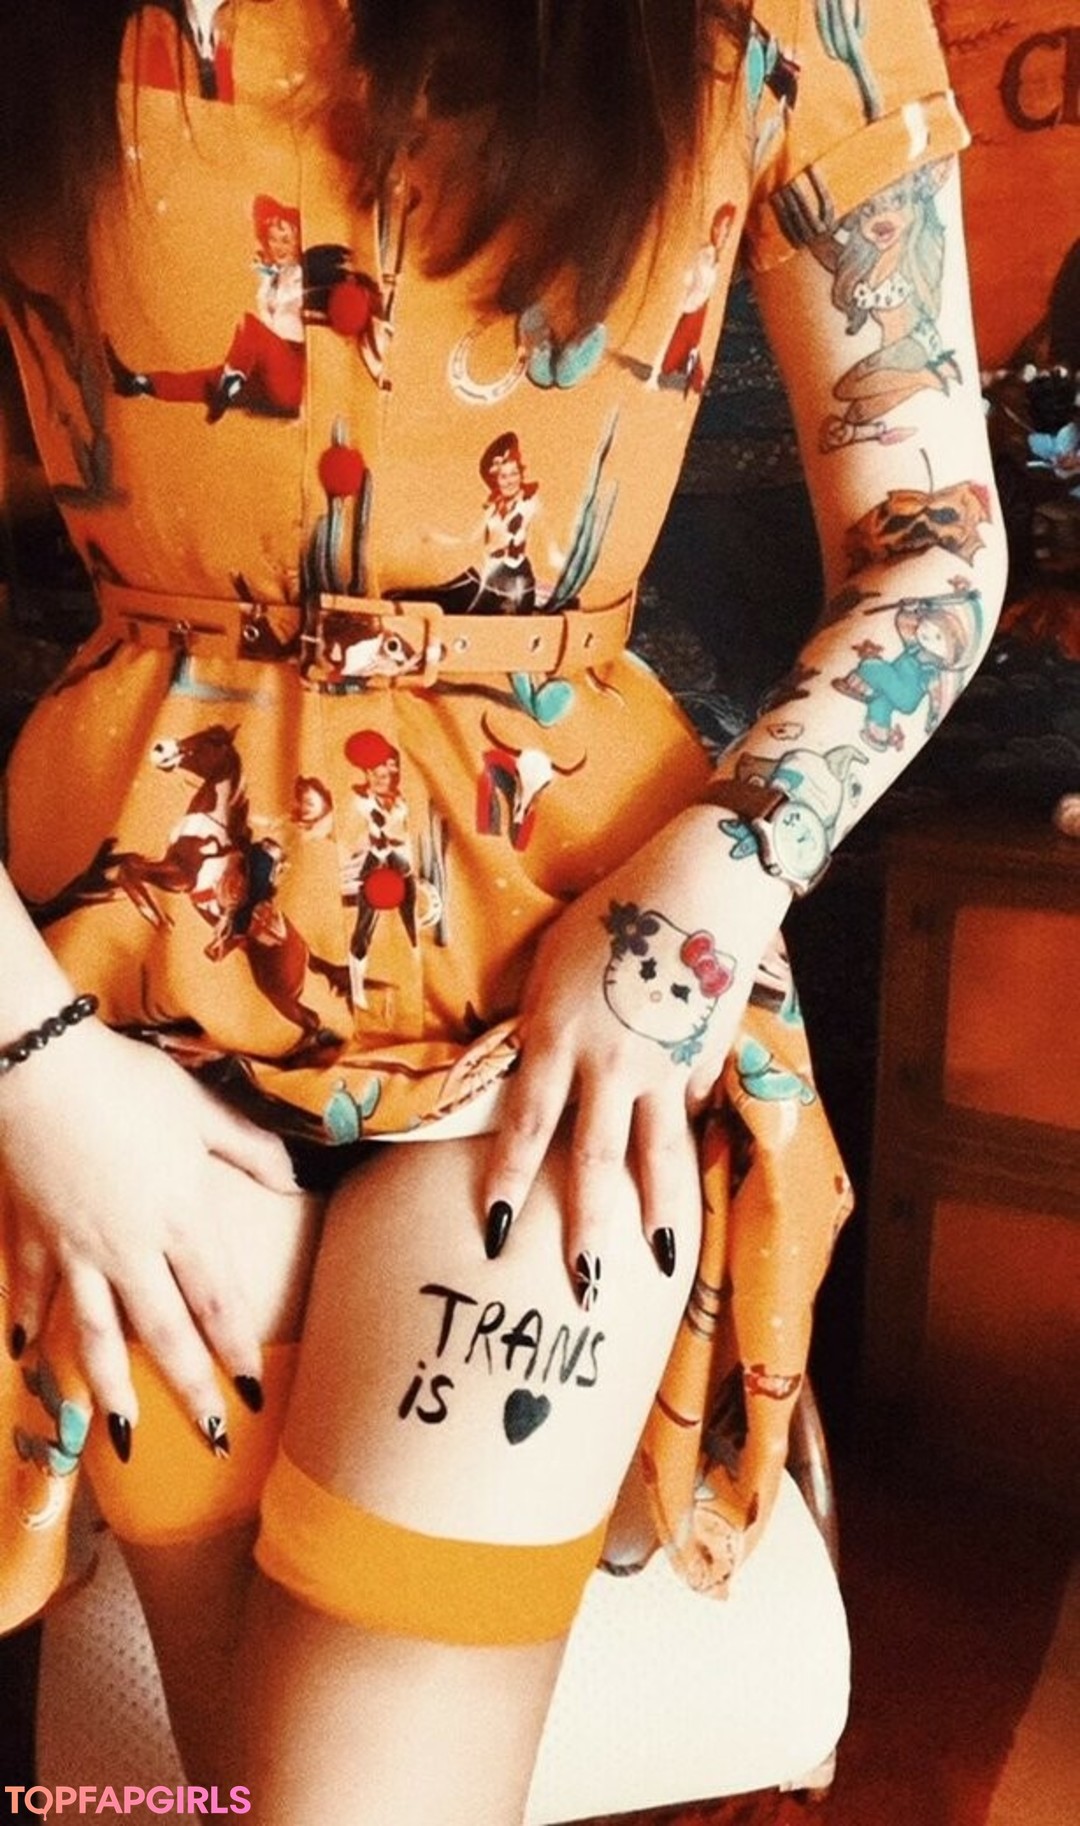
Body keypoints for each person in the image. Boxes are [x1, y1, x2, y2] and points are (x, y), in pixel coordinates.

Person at [0, 3, 1005, 1821]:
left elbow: (935, 536)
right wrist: (40, 1079)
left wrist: (710, 885)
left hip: (554, 1025)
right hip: (100, 1011)